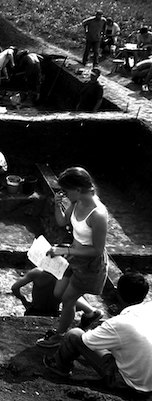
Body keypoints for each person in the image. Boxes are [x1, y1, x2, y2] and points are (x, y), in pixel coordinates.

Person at [43, 271, 152, 395]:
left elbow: (86, 340)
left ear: (118, 292)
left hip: (129, 383)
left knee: (74, 335)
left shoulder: (119, 323)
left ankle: (59, 366)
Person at [36, 167, 108, 348]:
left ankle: (59, 336)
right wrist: (56, 204)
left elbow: (97, 250)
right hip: (73, 255)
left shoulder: (98, 214)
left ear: (77, 189)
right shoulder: (77, 202)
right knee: (58, 293)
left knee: (67, 300)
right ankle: (91, 313)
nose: (65, 194)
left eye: (66, 190)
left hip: (89, 264)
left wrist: (66, 251)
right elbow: (62, 222)